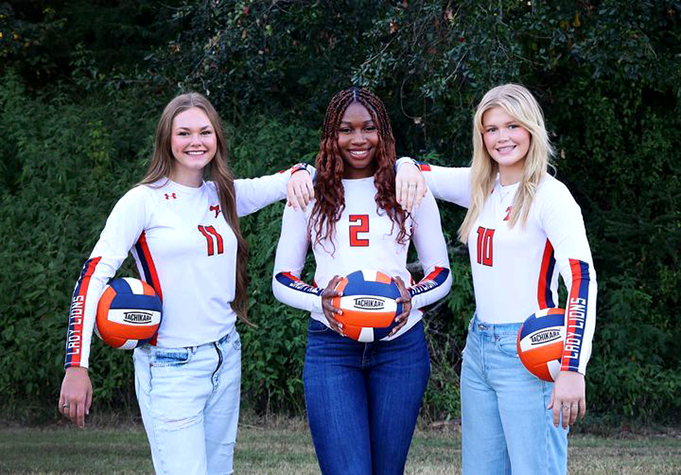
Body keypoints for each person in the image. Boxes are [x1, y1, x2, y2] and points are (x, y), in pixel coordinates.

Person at [58, 91, 314, 475]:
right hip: (170, 366)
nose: (196, 141)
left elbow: (293, 175)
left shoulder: (223, 195)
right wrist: (77, 365)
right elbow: (93, 275)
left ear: (217, 139)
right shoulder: (142, 201)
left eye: (205, 132)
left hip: (225, 356)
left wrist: (300, 175)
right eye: (184, 133)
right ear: (167, 139)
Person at [395, 83, 597, 474]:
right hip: (480, 350)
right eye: (491, 129)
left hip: (533, 350)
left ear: (531, 129)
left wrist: (573, 366)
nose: (502, 137)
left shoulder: (551, 197)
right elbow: (419, 172)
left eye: (512, 126)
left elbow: (581, 280)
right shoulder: (480, 185)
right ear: (481, 136)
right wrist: (404, 164)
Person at [271, 87, 452, 474]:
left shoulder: (409, 187)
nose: (357, 139)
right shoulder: (310, 191)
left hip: (400, 347)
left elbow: (441, 272)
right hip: (331, 347)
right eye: (345, 129)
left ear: (382, 132)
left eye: (368, 128)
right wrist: (321, 301)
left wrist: (410, 299)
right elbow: (282, 278)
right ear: (330, 135)